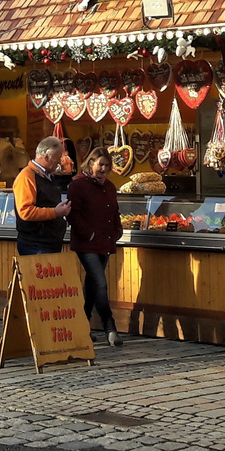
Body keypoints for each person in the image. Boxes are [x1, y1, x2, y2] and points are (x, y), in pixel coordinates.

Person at [67, 146, 123, 347]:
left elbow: (114, 211)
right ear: (91, 163)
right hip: (86, 243)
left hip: (105, 240)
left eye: (107, 165)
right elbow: (73, 214)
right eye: (101, 164)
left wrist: (118, 230)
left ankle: (82, 326)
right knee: (100, 282)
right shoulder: (78, 186)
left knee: (92, 284)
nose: (104, 169)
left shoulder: (109, 186)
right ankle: (110, 327)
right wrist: (88, 233)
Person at [12, 136, 71, 256]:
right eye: (58, 158)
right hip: (35, 244)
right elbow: (25, 211)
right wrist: (55, 212)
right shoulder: (27, 177)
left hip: (49, 242)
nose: (60, 162)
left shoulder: (48, 176)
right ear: (47, 157)